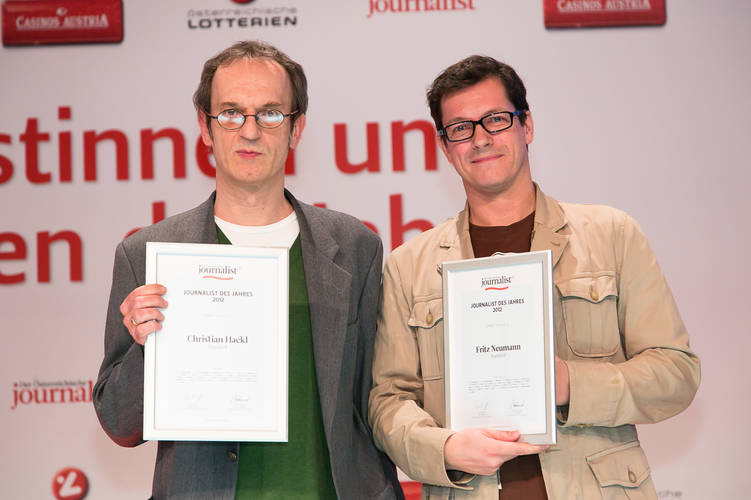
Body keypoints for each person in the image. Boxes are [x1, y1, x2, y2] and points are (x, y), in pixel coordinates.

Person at [368, 55, 700, 499]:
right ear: (445, 147)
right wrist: (444, 448)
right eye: (461, 128)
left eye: (495, 119)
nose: (480, 139)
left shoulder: (611, 235)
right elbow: (388, 400)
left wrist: (570, 384)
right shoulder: (409, 265)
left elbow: (676, 373)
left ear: (526, 126)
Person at [94, 40, 403, 500]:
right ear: (205, 127)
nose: (251, 131)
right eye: (231, 113)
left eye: (271, 114)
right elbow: (120, 424)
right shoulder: (148, 254)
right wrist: (146, 348)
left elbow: (381, 399)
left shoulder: (356, 247)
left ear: (297, 128)